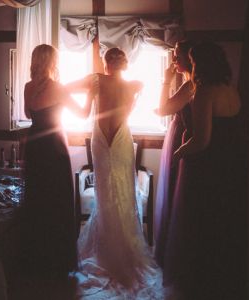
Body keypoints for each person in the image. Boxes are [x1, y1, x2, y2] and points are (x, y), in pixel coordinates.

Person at [66, 48, 159, 295]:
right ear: (124, 63)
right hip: (120, 140)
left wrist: (80, 95)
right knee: (122, 191)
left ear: (106, 63)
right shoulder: (134, 85)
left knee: (105, 192)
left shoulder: (96, 79)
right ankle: (122, 248)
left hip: (102, 139)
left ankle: (109, 248)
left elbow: (71, 93)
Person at [163, 41, 246, 299]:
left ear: (202, 63)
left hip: (204, 165)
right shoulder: (231, 90)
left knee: (197, 221)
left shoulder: (204, 92)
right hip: (229, 164)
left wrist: (178, 153)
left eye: (193, 60)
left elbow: (201, 140)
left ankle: (199, 280)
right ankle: (219, 278)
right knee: (220, 219)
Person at [19, 44, 92, 280]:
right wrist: (90, 93)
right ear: (52, 62)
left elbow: (29, 115)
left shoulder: (28, 87)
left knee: (37, 198)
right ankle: (57, 261)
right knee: (58, 199)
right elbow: (83, 114)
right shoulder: (58, 88)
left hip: (35, 146)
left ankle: (36, 259)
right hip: (54, 147)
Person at [153, 40, 195, 268]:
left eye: (177, 55)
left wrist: (166, 80)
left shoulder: (190, 85)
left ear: (190, 58)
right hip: (179, 135)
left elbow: (162, 109)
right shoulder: (191, 83)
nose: (174, 60)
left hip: (182, 140)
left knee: (178, 192)